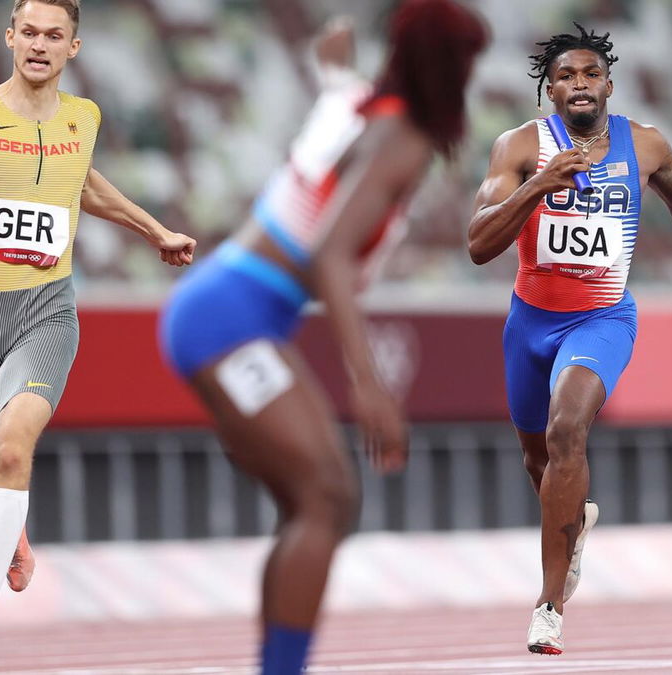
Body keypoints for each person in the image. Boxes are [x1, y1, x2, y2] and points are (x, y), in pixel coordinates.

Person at [158, 3, 487, 673]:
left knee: (313, 502)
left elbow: (338, 87)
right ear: (447, 69)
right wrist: (369, 383)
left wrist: (331, 62)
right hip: (229, 319)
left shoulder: (366, 105)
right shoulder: (405, 137)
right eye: (466, 64)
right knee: (327, 496)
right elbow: (329, 253)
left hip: (231, 309)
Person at [0, 1, 196, 672]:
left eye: (53, 35)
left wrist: (155, 231)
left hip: (47, 312)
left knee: (13, 449)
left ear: (73, 47)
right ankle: (14, 532)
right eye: (28, 32)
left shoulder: (83, 118)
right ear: (10, 38)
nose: (39, 44)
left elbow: (83, 185)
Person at [467, 23, 672, 655]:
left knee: (565, 431)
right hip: (529, 324)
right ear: (548, 93)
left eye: (589, 74)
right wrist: (536, 187)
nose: (578, 84)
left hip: (602, 318)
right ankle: (573, 523)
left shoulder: (646, 145)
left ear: (608, 83)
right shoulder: (519, 148)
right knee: (537, 459)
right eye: (564, 77)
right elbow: (477, 245)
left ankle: (548, 605)